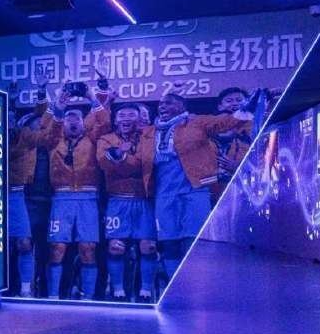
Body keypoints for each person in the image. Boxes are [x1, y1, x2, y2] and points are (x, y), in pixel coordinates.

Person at [151, 90, 256, 285]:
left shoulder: (197, 122)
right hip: (163, 195)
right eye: (161, 104)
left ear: (182, 106)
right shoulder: (149, 132)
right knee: (168, 242)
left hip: (194, 190)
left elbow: (225, 123)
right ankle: (175, 285)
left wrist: (251, 104)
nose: (163, 106)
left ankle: (197, 283)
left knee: (193, 240)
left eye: (170, 102)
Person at [97, 103, 158, 302]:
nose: (125, 118)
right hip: (117, 201)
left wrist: (121, 157)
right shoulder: (106, 139)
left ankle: (146, 292)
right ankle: (118, 291)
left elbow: (145, 163)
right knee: (116, 247)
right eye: (121, 115)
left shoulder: (149, 138)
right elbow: (103, 162)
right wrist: (121, 157)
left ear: (139, 119)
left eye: (131, 115)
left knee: (148, 246)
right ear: (115, 120)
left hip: (144, 200)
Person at [46, 105, 103, 299]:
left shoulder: (93, 139)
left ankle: (89, 298)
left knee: (88, 248)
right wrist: (57, 108)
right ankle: (53, 296)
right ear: (62, 123)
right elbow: (48, 127)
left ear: (84, 122)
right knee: (57, 248)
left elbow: (104, 122)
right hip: (61, 199)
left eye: (77, 118)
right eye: (68, 118)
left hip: (88, 198)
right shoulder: (54, 140)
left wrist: (94, 99)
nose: (72, 121)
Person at [7, 94, 59, 297]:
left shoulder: (36, 140)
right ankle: (12, 288)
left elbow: (45, 127)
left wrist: (43, 93)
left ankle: (33, 289)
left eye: (12, 118)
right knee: (11, 245)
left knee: (35, 246)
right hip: (10, 197)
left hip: (37, 200)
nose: (39, 129)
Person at [210, 87, 255, 203]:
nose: (234, 104)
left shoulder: (254, 131)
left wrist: (238, 168)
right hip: (211, 195)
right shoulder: (205, 134)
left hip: (244, 193)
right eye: (229, 101)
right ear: (220, 106)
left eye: (239, 100)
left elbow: (262, 164)